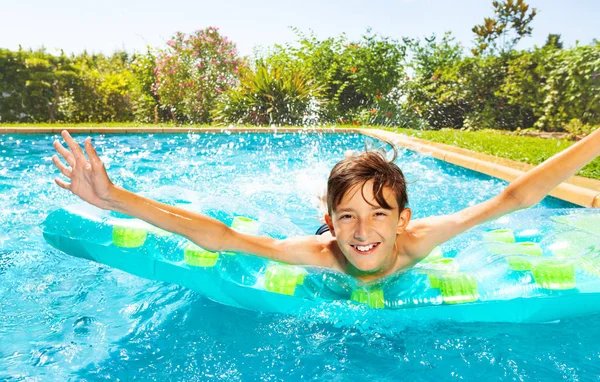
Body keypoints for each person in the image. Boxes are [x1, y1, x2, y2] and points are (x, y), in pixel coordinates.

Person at [51, 128, 600, 283]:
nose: (363, 231)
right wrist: (112, 198)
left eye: (379, 214)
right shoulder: (320, 252)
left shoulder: (420, 240)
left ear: (403, 219)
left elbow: (516, 197)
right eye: (349, 215)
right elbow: (220, 236)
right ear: (333, 221)